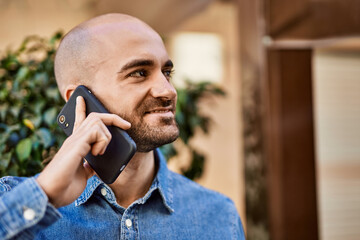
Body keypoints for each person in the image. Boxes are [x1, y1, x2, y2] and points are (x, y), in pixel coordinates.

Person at [0, 13, 245, 239]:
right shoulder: (12, 200)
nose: (168, 91)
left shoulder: (219, 218)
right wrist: (44, 195)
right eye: (139, 73)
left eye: (167, 72)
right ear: (80, 99)